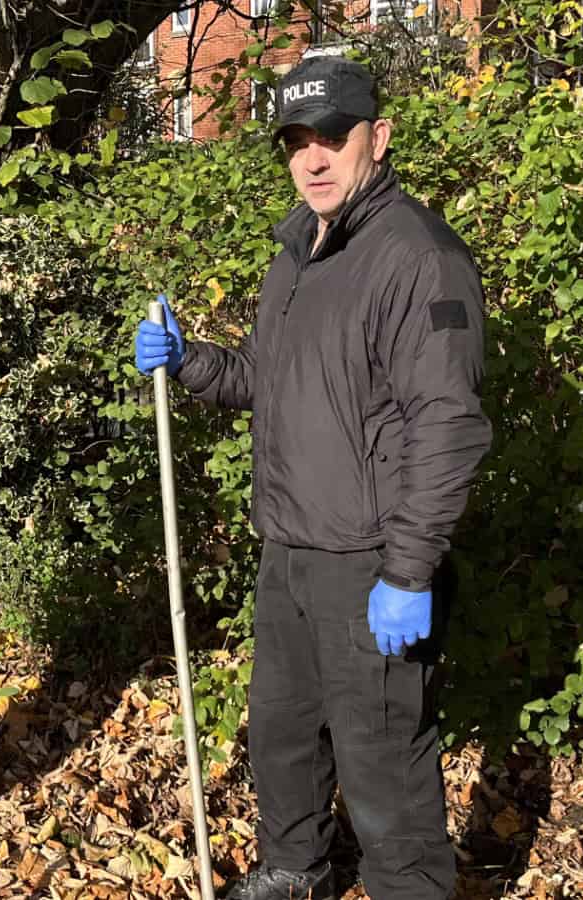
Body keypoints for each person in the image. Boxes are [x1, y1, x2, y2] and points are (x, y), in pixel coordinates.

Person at [133, 55, 492, 900]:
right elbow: (267, 376)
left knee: (384, 761)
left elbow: (448, 426)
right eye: (297, 142)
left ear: (381, 137)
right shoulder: (297, 252)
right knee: (284, 735)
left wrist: (408, 571)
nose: (315, 158)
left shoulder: (419, 257)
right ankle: (295, 872)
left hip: (369, 560)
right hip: (288, 547)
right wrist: (192, 363)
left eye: (334, 136)